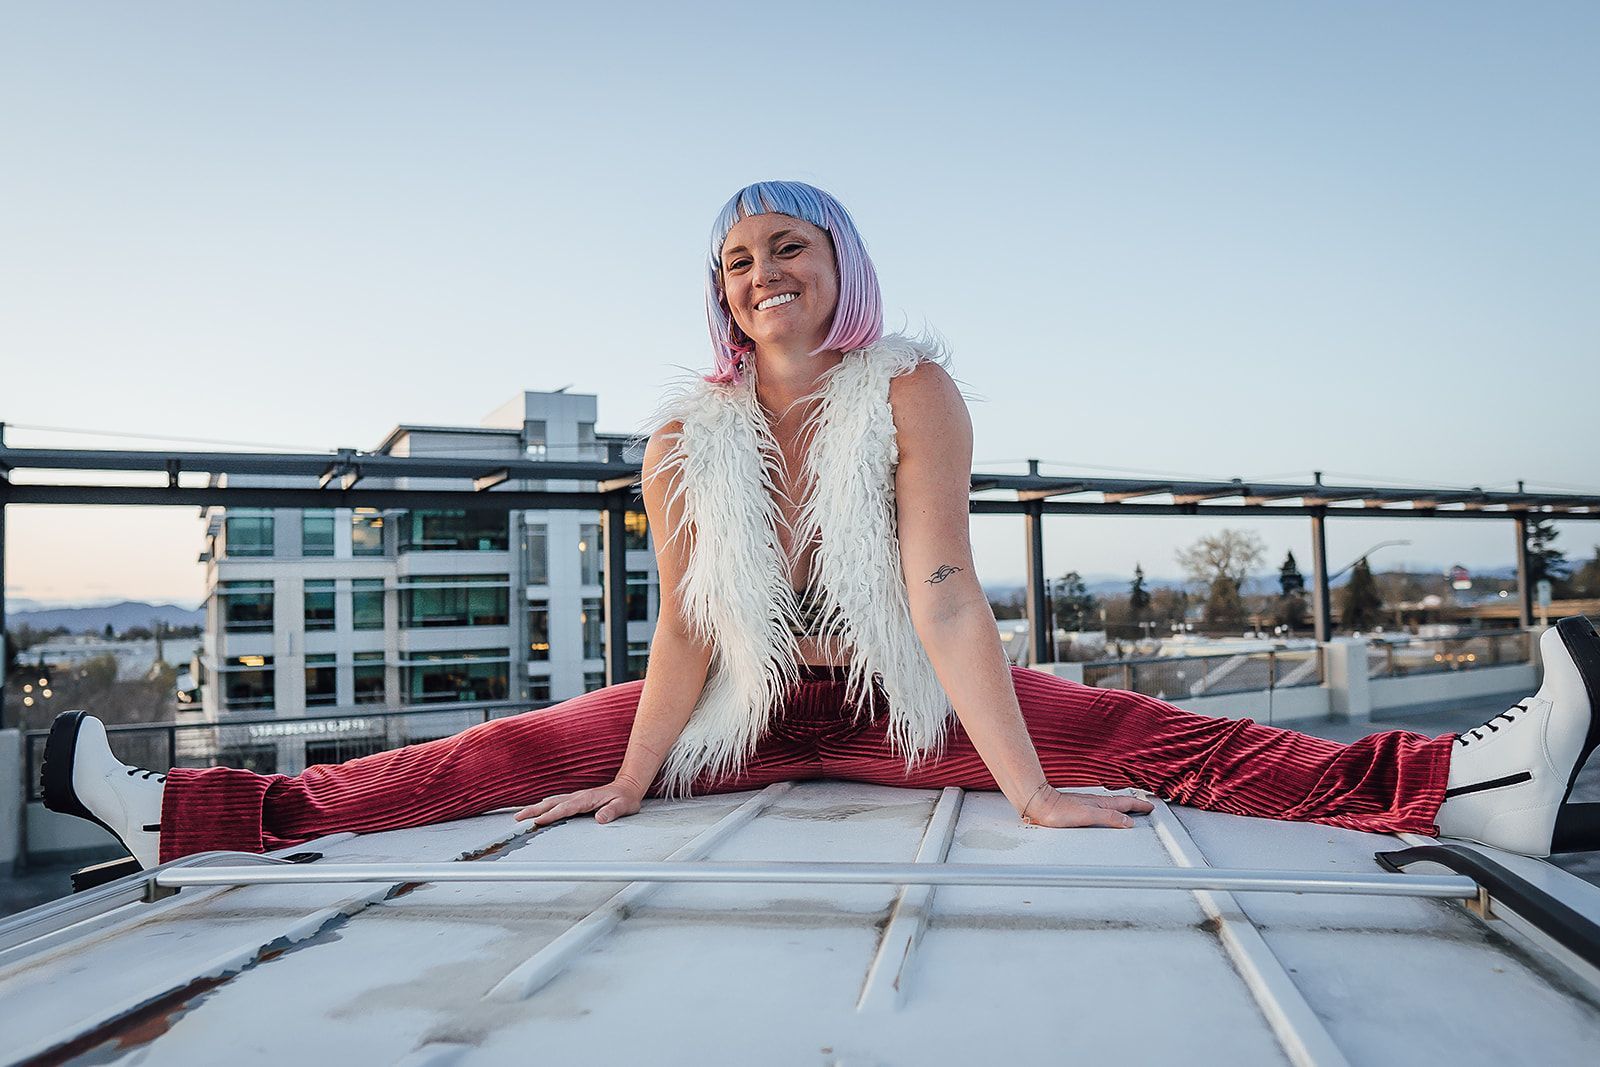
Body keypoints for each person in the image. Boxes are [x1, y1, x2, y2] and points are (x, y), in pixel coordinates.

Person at [43, 181, 1600, 872]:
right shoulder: (681, 437)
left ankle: (1468, 787)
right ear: (715, 294)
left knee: (1131, 728)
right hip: (733, 712)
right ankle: (182, 817)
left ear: (836, 261)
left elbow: (937, 591)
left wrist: (1035, 792)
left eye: (784, 246)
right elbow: (695, 629)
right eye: (732, 261)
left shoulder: (908, 390)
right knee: (488, 761)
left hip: (892, 700)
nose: (756, 275)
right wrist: (632, 780)